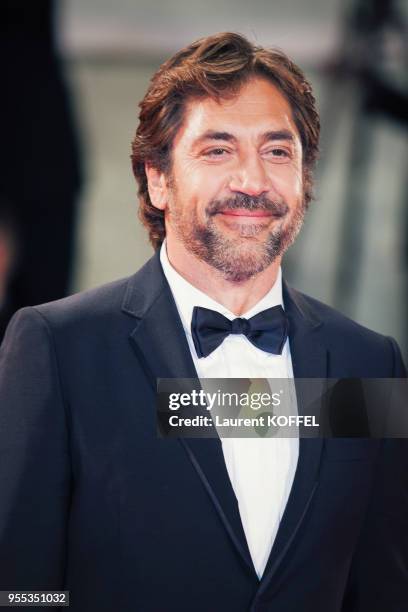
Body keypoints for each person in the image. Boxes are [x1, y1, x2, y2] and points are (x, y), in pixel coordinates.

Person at [0, 32, 406, 612]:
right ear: (159, 178)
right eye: (218, 150)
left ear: (304, 179)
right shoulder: (58, 349)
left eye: (277, 151)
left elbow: (384, 591)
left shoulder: (370, 363)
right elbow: (19, 589)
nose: (252, 181)